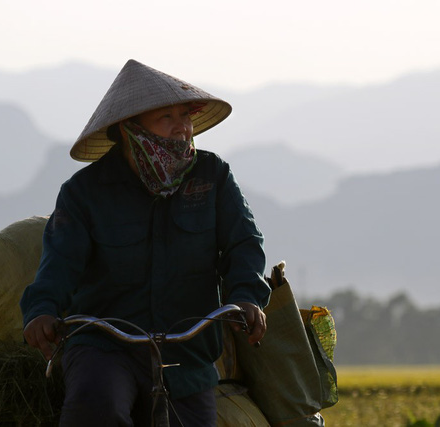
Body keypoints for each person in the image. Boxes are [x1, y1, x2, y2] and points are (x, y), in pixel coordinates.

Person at [19, 59, 270, 426]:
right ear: (129, 129)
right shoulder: (84, 192)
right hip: (105, 347)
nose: (182, 128)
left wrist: (246, 295)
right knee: (96, 405)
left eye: (184, 115)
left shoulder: (212, 175)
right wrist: (42, 309)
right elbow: (59, 262)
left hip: (188, 351)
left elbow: (244, 242)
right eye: (165, 118)